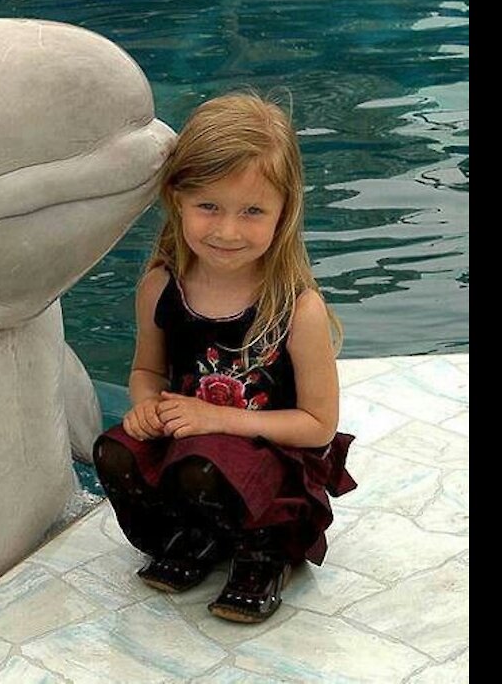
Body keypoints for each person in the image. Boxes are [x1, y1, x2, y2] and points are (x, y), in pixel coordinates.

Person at [92, 92, 357, 623]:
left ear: (285, 212)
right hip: (192, 447)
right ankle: (196, 535)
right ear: (177, 199)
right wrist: (145, 405)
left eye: (253, 211)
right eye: (208, 206)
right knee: (116, 450)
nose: (228, 230)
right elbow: (146, 371)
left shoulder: (295, 308)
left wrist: (216, 418)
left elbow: (318, 426)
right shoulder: (161, 286)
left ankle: (263, 552)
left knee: (205, 461)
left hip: (267, 464)